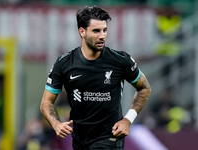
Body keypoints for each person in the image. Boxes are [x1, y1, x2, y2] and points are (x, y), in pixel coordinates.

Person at [40, 6, 151, 150]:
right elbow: (46, 102)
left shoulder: (120, 61)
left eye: (105, 30)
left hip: (110, 138)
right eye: (96, 31)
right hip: (80, 140)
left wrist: (127, 120)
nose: (102, 35)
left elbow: (144, 88)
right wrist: (56, 124)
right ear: (82, 32)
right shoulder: (64, 63)